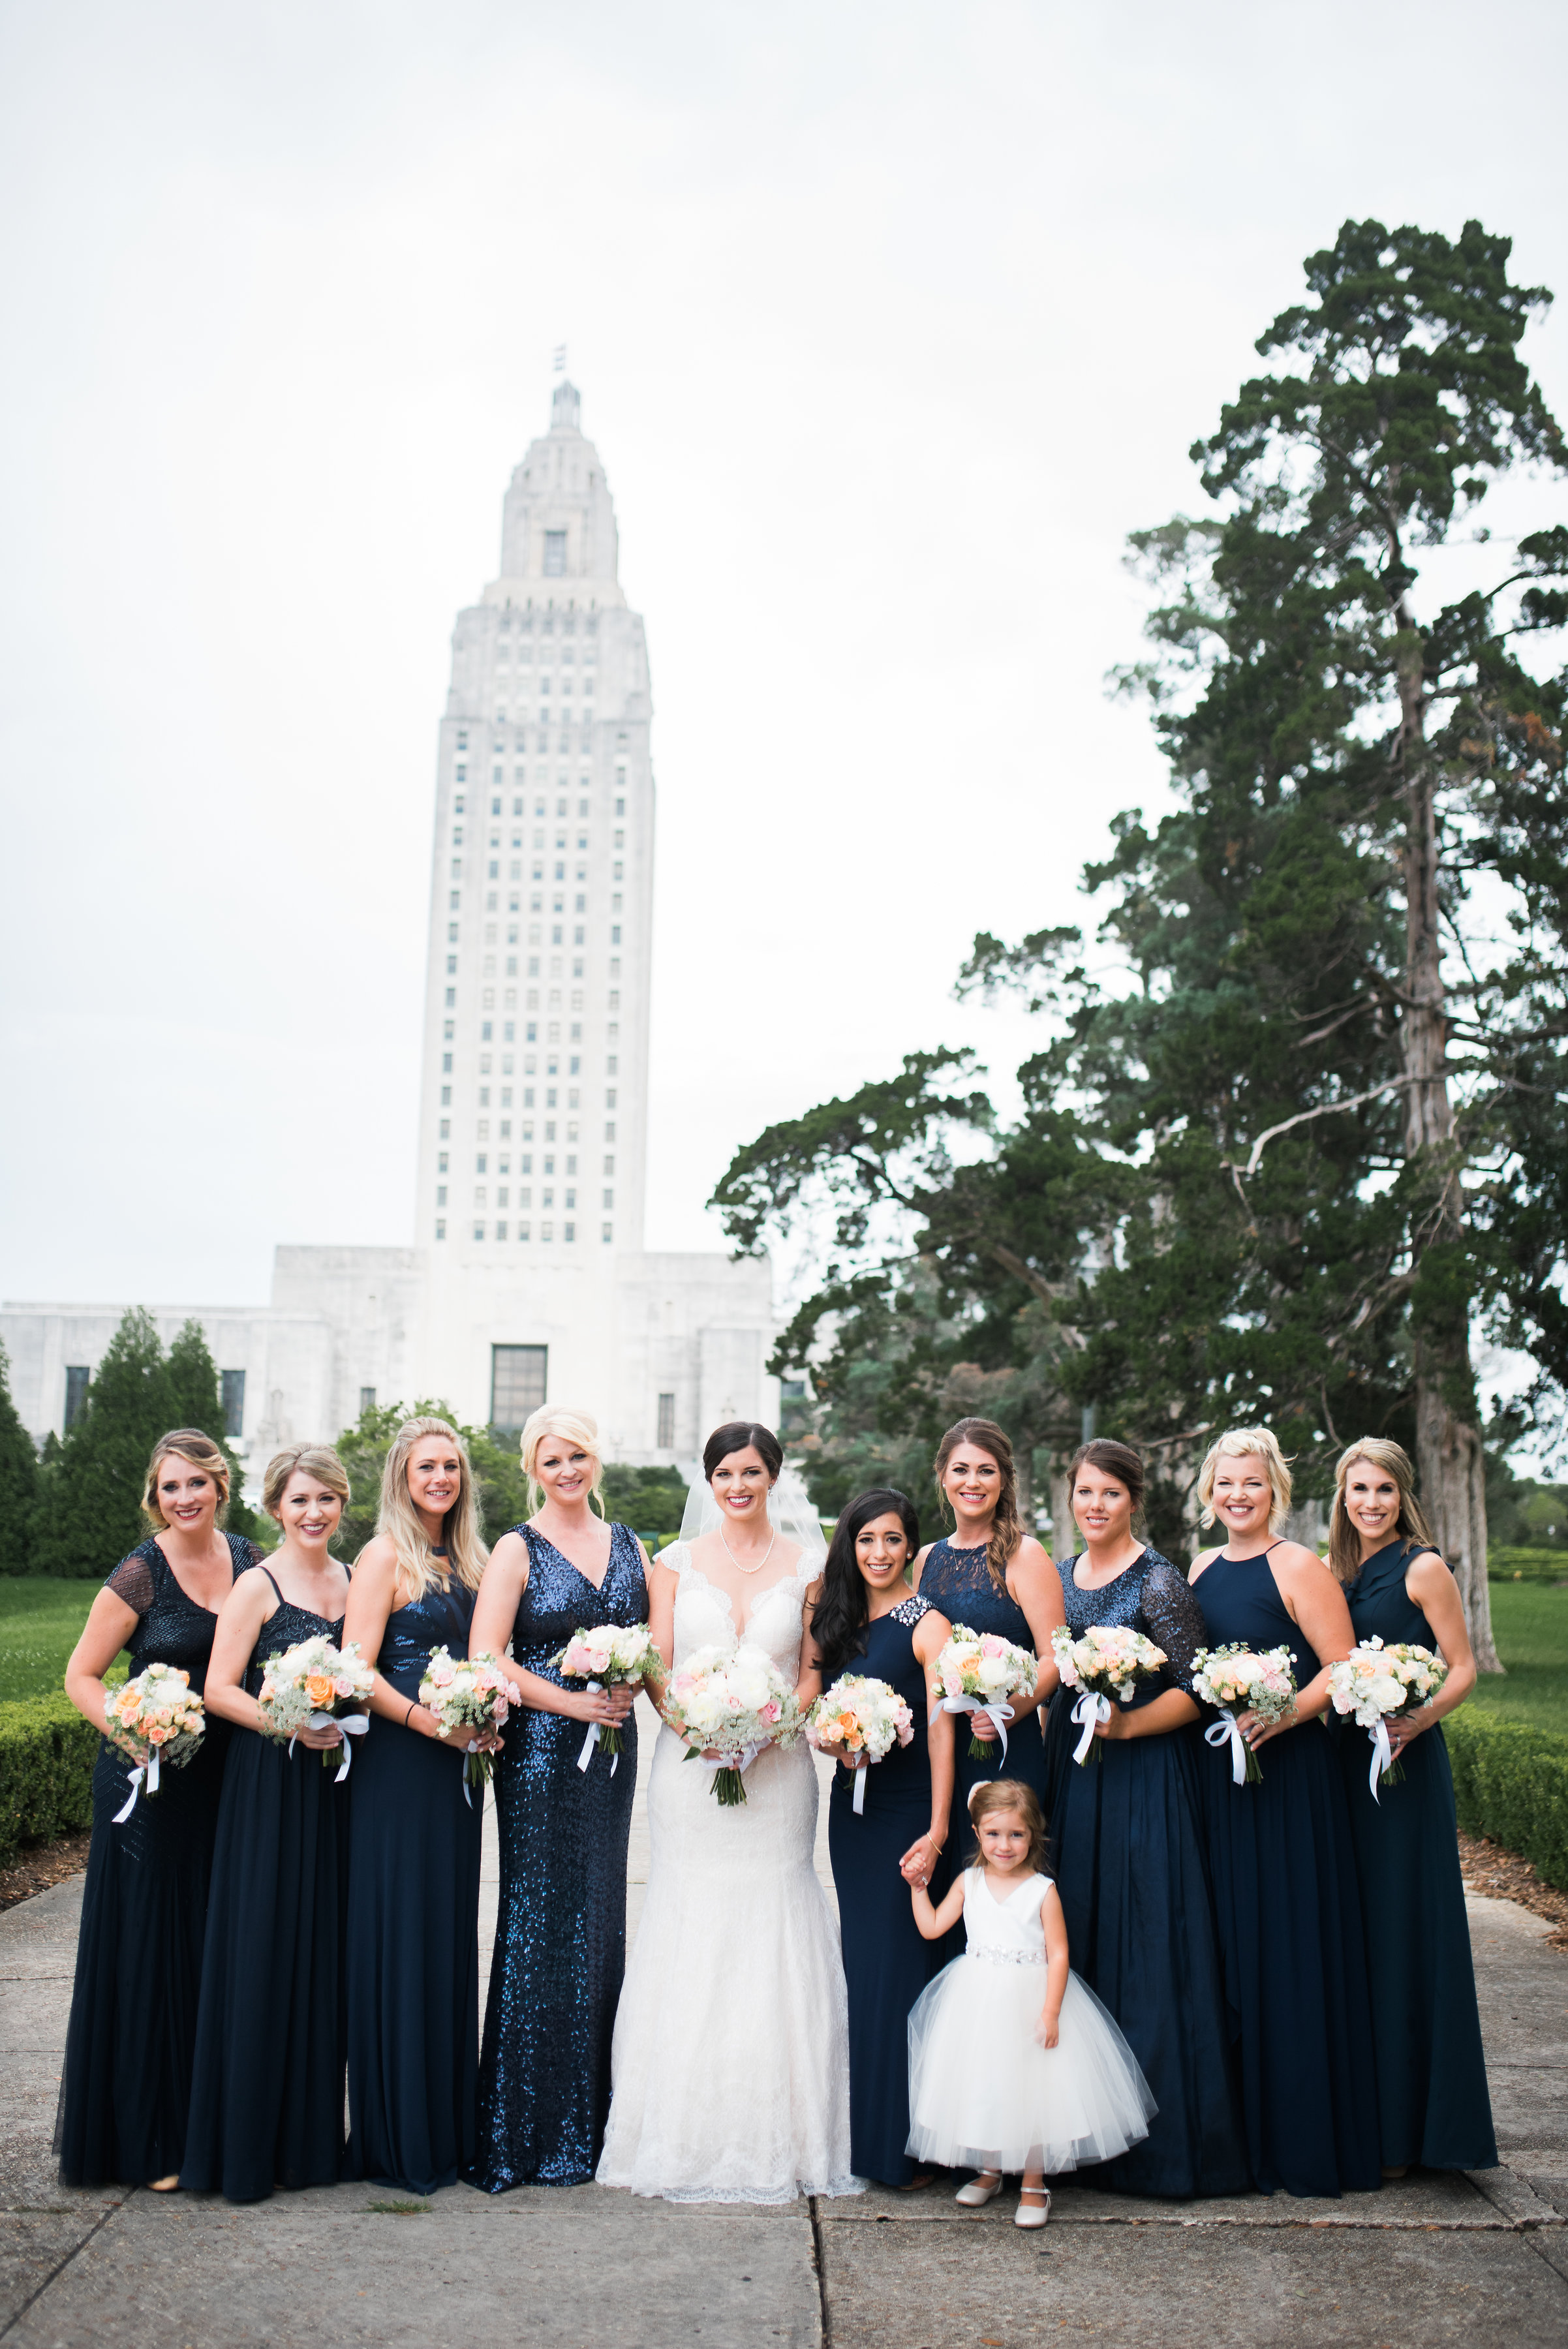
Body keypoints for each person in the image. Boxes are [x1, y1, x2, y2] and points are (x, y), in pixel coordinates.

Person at [596, 1420, 859, 2203]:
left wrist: (770, 1732)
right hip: (689, 1771)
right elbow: (656, 1664)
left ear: (774, 1476)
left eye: (751, 1472)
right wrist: (699, 1730)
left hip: (779, 1773)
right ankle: (681, 2131)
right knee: (693, 1920)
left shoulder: (811, 1567)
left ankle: (790, 2131)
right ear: (708, 1482)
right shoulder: (674, 1563)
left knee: (776, 1916)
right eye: (724, 1474)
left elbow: (812, 1668)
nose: (737, 1486)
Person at [1046, 1439, 1250, 2197]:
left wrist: (1128, 1726)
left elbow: (1199, 1689)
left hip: (1143, 1778)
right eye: (1085, 1492)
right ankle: (1077, 2136)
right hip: (1075, 1775)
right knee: (1078, 1929)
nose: (1095, 1505)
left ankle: (1157, 2148)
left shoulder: (1160, 1581)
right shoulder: (1060, 1578)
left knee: (1147, 1936)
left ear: (1134, 1500)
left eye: (1110, 1493)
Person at [57, 1431, 259, 2192]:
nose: (185, 1498)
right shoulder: (140, 1573)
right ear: (156, 1496)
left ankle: (209, 2127)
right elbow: (82, 1675)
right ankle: (147, 2143)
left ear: (220, 1486)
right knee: (149, 1952)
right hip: (147, 1783)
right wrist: (132, 1730)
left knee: (213, 1948)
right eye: (171, 1487)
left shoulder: (249, 1560)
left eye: (196, 1483)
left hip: (224, 1784)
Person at [1189, 1426, 1381, 2198]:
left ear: (1275, 1491)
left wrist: (1283, 1714)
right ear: (1209, 1492)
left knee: (1288, 1946)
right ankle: (1238, 2140)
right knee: (1230, 1949)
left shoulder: (1298, 1565)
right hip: (1220, 1782)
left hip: (1290, 1783)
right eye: (1226, 1483)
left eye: (1253, 1483)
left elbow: (1344, 1668)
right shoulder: (1200, 1568)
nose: (1238, 1495)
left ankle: (1301, 2141)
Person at [469, 1407, 650, 2190]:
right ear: (532, 1470)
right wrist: (571, 1703)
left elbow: (652, 1645)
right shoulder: (517, 1547)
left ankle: (593, 2124)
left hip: (611, 1756)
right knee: (539, 1920)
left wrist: (633, 1683)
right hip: (541, 1755)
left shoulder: (631, 1545)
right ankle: (521, 2131)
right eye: (552, 1461)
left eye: (578, 1456)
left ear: (595, 1460)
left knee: (599, 1921)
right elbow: (487, 1654)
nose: (567, 1471)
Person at [180, 1445, 354, 2203]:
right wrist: (288, 1723)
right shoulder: (257, 1585)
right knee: (263, 1943)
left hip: (337, 1786)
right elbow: (219, 1688)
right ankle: (245, 2148)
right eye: (300, 1500)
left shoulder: (356, 1580)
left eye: (326, 1500)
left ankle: (308, 2148)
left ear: (342, 1505)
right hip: (270, 1781)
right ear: (276, 1507)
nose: (314, 1513)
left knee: (322, 1951)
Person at [1327, 1436, 1496, 2175]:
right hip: (1343, 1769)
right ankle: (1368, 2123)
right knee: (1358, 1935)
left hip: (1404, 1768)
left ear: (1403, 1496)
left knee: (1404, 1933)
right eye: (1359, 1490)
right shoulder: (1335, 1571)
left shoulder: (1422, 1568)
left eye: (1384, 1490)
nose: (1371, 1503)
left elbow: (1462, 1669)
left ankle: (1415, 2134)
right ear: (1342, 1497)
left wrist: (1416, 1721)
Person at [343, 1416, 490, 2195]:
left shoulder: (469, 1559)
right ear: (402, 1478)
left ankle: (445, 2128)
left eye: (451, 1467)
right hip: (400, 1767)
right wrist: (431, 1724)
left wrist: (486, 1715)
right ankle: (398, 2136)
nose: (441, 1479)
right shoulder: (383, 1558)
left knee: (445, 1932)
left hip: (458, 1772)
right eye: (427, 1467)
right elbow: (357, 1671)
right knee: (401, 1932)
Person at [906, 1779, 1155, 2228]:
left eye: (1016, 1835)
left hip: (1030, 2005)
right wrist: (918, 1887)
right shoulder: (969, 1883)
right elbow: (932, 1927)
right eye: (994, 1834)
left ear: (1032, 1835)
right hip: (977, 2004)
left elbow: (1058, 1954)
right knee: (985, 2086)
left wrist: (1050, 2012)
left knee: (1034, 2093)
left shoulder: (1042, 1890)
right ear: (976, 1833)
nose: (1004, 1845)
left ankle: (1034, 2183)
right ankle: (990, 2170)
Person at [808, 1487, 955, 2189]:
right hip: (853, 1816)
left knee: (900, 1973)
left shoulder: (928, 1623)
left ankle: (905, 2149)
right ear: (850, 1544)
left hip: (906, 1813)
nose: (879, 1552)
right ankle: (869, 2142)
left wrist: (939, 1828)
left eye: (892, 1539)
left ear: (910, 1547)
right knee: (865, 1971)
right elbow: (817, 1711)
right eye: (866, 1539)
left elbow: (943, 1732)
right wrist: (833, 1741)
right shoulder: (835, 1618)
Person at [913, 1419, 1064, 1838]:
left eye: (986, 1470)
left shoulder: (1025, 1555)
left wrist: (1009, 1712)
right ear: (943, 1476)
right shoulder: (926, 1560)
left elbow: (1055, 1657)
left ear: (1003, 1480)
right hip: (939, 1752)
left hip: (1006, 1748)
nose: (973, 1482)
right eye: (961, 1469)